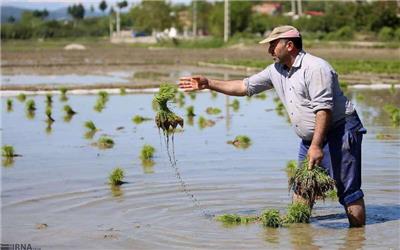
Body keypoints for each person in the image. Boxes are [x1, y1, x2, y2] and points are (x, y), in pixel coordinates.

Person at [178, 25, 367, 227]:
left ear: (290, 45)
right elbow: (244, 86)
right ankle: (301, 237)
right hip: (311, 137)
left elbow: (324, 110)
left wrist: (316, 145)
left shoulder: (316, 68)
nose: (269, 51)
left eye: (273, 45)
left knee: (347, 189)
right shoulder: (276, 70)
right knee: (303, 187)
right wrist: (209, 83)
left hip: (340, 129)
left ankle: (357, 238)